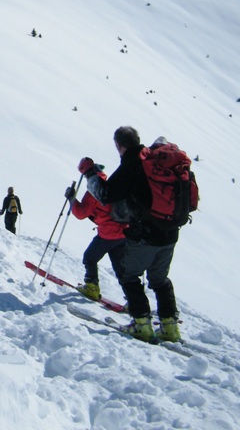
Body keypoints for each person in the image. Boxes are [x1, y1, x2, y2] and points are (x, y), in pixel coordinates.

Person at [81, 126, 181, 342]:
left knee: (129, 275)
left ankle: (141, 324)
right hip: (171, 231)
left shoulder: (133, 164)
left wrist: (90, 174)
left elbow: (106, 194)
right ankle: (169, 327)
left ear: (119, 145)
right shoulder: (153, 160)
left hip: (146, 232)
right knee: (159, 279)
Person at [65, 170, 126, 303]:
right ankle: (134, 301)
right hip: (123, 233)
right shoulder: (110, 185)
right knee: (121, 268)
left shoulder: (94, 190)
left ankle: (92, 288)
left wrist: (72, 200)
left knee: (89, 257)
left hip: (107, 233)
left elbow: (81, 213)